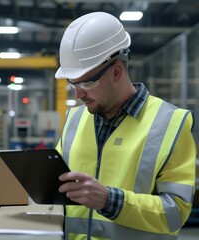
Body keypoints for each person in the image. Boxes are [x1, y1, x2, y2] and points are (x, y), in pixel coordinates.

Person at [55, 12, 196, 240]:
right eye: (72, 83)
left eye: (87, 83)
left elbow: (175, 213)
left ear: (117, 72)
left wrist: (109, 200)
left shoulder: (171, 123)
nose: (78, 93)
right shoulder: (74, 119)